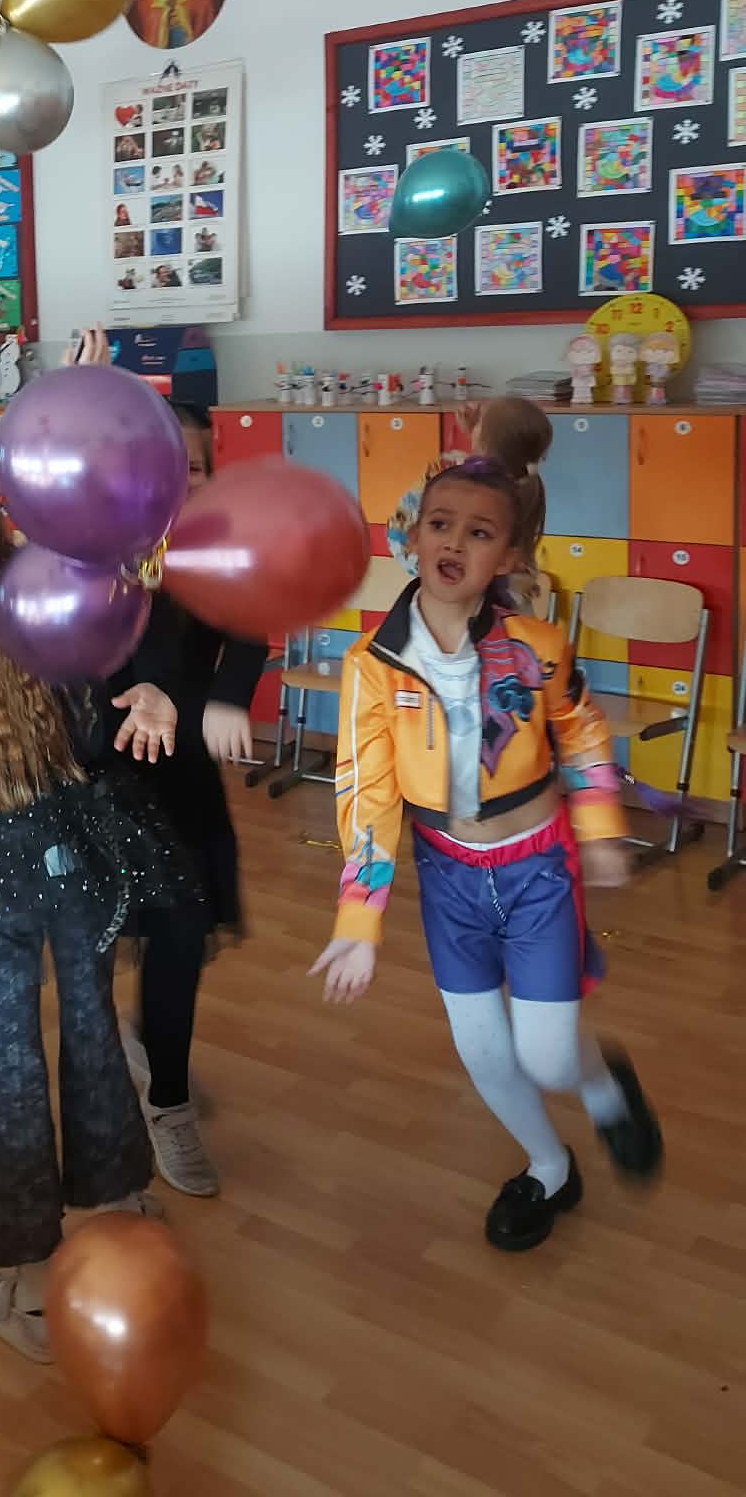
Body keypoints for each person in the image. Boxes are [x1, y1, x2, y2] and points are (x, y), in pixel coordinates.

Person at [0, 385, 200, 1364]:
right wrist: (90, 396)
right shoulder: (56, 596)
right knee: (91, 1021)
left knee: (8, 1061)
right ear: (8, 524)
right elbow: (104, 536)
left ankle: (19, 1277)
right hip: (77, 853)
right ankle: (117, 1192)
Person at [311, 456, 663, 1252]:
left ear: (507, 557)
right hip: (449, 880)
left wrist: (600, 826)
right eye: (440, 524)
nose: (454, 543)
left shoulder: (538, 648)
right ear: (411, 537)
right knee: (484, 1052)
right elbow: (367, 792)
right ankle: (550, 1167)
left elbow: (582, 729)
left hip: (538, 870)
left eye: (479, 533)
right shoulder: (372, 666)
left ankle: (604, 1086)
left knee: (548, 1056)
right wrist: (359, 921)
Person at [114, 401, 268, 1197]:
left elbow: (249, 630)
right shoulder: (96, 547)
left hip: (183, 774)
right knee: (115, 934)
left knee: (180, 934)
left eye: (195, 467)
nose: (178, 482)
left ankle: (167, 1099)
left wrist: (227, 697)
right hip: (106, 770)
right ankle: (126, 1069)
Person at [387, 395, 552, 609]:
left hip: (465, 605)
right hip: (511, 603)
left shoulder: (457, 483)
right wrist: (479, 441)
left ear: (484, 439)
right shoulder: (529, 484)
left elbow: (399, 537)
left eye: (480, 422)